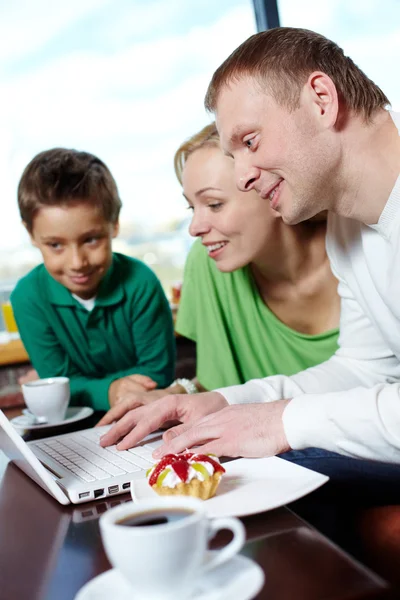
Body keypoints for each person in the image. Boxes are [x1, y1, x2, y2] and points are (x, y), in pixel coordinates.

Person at [99, 27, 400, 472]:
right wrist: (224, 402)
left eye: (250, 142)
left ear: (321, 100)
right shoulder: (347, 228)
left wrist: (280, 422)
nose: (242, 177)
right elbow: (364, 370)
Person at [97, 122, 339, 426]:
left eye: (214, 204)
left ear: (272, 190)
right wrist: (175, 395)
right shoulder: (208, 261)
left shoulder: (364, 252)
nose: (195, 228)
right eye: (192, 208)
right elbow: (218, 385)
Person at [11, 148, 175, 411]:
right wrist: (112, 390)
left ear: (114, 225)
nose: (77, 262)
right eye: (55, 245)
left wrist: (77, 387)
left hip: (147, 417)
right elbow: (58, 386)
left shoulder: (142, 283)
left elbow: (157, 376)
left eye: (91, 240)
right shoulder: (27, 297)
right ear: (30, 234)